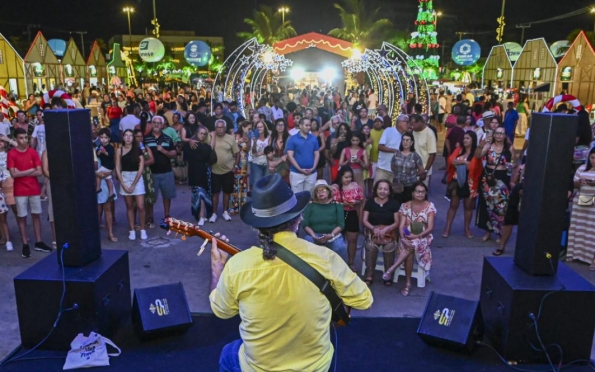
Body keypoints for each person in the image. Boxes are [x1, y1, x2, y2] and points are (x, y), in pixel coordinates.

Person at [210, 174, 373, 371]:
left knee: (228, 353)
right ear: (299, 218)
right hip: (315, 366)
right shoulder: (325, 258)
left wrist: (217, 270)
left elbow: (222, 310)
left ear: (257, 226)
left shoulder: (238, 265)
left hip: (260, 367)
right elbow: (364, 300)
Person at [382, 181, 435, 296]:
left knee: (413, 244)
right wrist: (404, 238)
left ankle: (393, 269)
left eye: (422, 192)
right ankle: (408, 283)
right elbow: (402, 226)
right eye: (417, 191)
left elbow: (430, 228)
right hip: (407, 233)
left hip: (423, 235)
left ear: (425, 193)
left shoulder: (430, 206)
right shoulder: (405, 206)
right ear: (412, 193)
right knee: (410, 247)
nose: (420, 194)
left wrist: (415, 236)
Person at [8, 128, 52, 257]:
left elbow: (39, 172)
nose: (24, 140)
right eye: (21, 138)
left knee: (36, 215)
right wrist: (29, 171)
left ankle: (39, 242)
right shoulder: (12, 154)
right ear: (16, 139)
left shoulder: (33, 152)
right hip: (20, 190)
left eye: (25, 137)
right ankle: (25, 244)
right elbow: (13, 174)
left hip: (33, 189)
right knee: (22, 217)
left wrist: (21, 172)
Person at [442, 131, 483, 239]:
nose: (465, 140)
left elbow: (472, 167)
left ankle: (466, 229)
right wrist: (465, 163)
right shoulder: (459, 149)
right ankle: (447, 228)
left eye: (468, 138)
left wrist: (461, 162)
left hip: (471, 183)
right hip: (456, 182)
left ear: (473, 140)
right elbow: (451, 161)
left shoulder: (476, 152)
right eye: (464, 138)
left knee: (468, 207)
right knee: (453, 205)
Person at [475, 126, 513, 243]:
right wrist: (481, 144)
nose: (499, 136)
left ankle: (500, 234)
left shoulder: (509, 149)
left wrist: (512, 168)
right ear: (494, 134)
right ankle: (488, 232)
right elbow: (477, 155)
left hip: (503, 179)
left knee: (501, 207)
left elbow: (514, 163)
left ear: (505, 136)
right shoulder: (488, 146)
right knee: (487, 205)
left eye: (502, 133)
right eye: (497, 133)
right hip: (489, 178)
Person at [362, 179, 400, 286]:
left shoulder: (394, 203)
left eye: (385, 189)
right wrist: (374, 228)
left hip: (389, 233)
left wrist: (386, 229)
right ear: (376, 190)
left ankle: (388, 273)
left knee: (389, 247)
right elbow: (364, 220)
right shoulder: (370, 202)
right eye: (380, 188)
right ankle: (369, 274)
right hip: (373, 232)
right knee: (370, 246)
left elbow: (397, 222)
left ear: (389, 191)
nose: (382, 191)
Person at [144, 115, 177, 221]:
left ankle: (167, 215)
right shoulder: (146, 138)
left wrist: (163, 151)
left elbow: (174, 153)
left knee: (167, 195)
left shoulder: (168, 138)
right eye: (154, 122)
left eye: (159, 123)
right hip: (151, 172)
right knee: (150, 197)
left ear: (162, 125)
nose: (156, 124)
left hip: (166, 171)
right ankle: (150, 216)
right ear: (151, 124)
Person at [115, 129, 147, 241]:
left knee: (141, 206)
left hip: (136, 177)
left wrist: (133, 184)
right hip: (124, 177)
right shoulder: (119, 150)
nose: (128, 138)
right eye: (126, 135)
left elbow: (141, 167)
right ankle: (132, 230)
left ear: (133, 138)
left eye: (130, 135)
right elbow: (117, 168)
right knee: (129, 206)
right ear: (123, 137)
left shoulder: (138, 150)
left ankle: (143, 229)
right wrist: (123, 183)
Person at [302, 180, 346, 258]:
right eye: (317, 191)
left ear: (328, 192)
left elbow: (341, 225)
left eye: (323, 190)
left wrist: (331, 235)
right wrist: (314, 236)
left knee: (340, 247)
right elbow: (305, 224)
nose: (320, 192)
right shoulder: (310, 206)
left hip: (333, 235)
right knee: (307, 241)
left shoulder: (337, 205)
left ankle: (338, 269)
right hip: (314, 235)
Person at [567, 148, 595, 267]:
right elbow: (574, 184)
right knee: (579, 227)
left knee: (592, 230)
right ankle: (576, 253)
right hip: (582, 200)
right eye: (592, 158)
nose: (594, 160)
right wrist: (580, 182)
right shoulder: (582, 168)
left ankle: (592, 258)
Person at [332, 166, 364, 271]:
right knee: (336, 239)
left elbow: (360, 199)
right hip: (338, 214)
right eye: (346, 177)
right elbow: (331, 202)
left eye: (350, 177)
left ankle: (351, 262)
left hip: (351, 213)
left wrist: (354, 202)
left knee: (353, 239)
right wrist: (343, 203)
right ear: (341, 177)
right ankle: (336, 263)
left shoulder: (355, 186)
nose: (348, 179)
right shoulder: (335, 187)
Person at [210, 119, 240, 222]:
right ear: (215, 128)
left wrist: (235, 166)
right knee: (215, 193)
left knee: (227, 192)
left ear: (225, 128)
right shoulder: (211, 137)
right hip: (214, 170)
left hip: (228, 171)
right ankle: (214, 213)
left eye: (221, 127)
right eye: (218, 127)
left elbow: (237, 153)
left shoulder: (230, 139)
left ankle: (225, 211)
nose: (220, 129)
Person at [185, 125, 215, 226]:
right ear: (196, 133)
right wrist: (189, 141)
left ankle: (202, 216)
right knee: (197, 195)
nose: (202, 135)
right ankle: (199, 215)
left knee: (202, 194)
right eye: (200, 133)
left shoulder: (206, 146)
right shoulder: (190, 145)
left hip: (204, 173)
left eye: (204, 134)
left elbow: (208, 154)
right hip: (193, 172)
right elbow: (186, 157)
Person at [285, 117, 320, 193]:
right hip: (296, 173)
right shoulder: (292, 139)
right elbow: (290, 156)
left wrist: (313, 168)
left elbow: (317, 154)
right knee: (297, 198)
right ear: (300, 126)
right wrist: (300, 169)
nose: (309, 127)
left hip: (311, 173)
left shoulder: (314, 139)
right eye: (306, 125)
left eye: (309, 125)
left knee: (310, 197)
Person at [391, 132, 426, 203]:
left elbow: (421, 170)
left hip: (410, 185)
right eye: (403, 140)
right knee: (396, 204)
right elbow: (392, 167)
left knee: (408, 205)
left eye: (407, 140)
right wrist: (399, 173)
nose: (405, 142)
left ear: (412, 142)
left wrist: (412, 174)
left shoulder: (415, 156)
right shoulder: (396, 154)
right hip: (397, 185)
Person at [133, 129, 156, 227]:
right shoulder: (131, 148)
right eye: (137, 136)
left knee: (149, 197)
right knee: (134, 199)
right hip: (135, 175)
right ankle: (134, 221)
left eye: (141, 136)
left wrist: (142, 164)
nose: (139, 138)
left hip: (146, 174)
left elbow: (152, 160)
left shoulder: (146, 147)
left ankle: (149, 218)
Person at [410, 114, 436, 187]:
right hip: (412, 169)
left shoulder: (429, 133)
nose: (411, 126)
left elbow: (432, 154)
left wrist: (425, 171)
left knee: (421, 193)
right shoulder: (413, 131)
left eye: (413, 124)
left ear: (420, 122)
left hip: (423, 170)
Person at [95, 128, 115, 199]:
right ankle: (111, 193)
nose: (103, 139)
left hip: (108, 165)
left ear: (109, 138)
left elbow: (111, 155)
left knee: (98, 173)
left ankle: (98, 188)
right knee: (108, 179)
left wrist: (104, 152)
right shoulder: (100, 146)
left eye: (105, 137)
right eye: (101, 137)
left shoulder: (110, 147)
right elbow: (97, 155)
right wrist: (99, 152)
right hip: (106, 165)